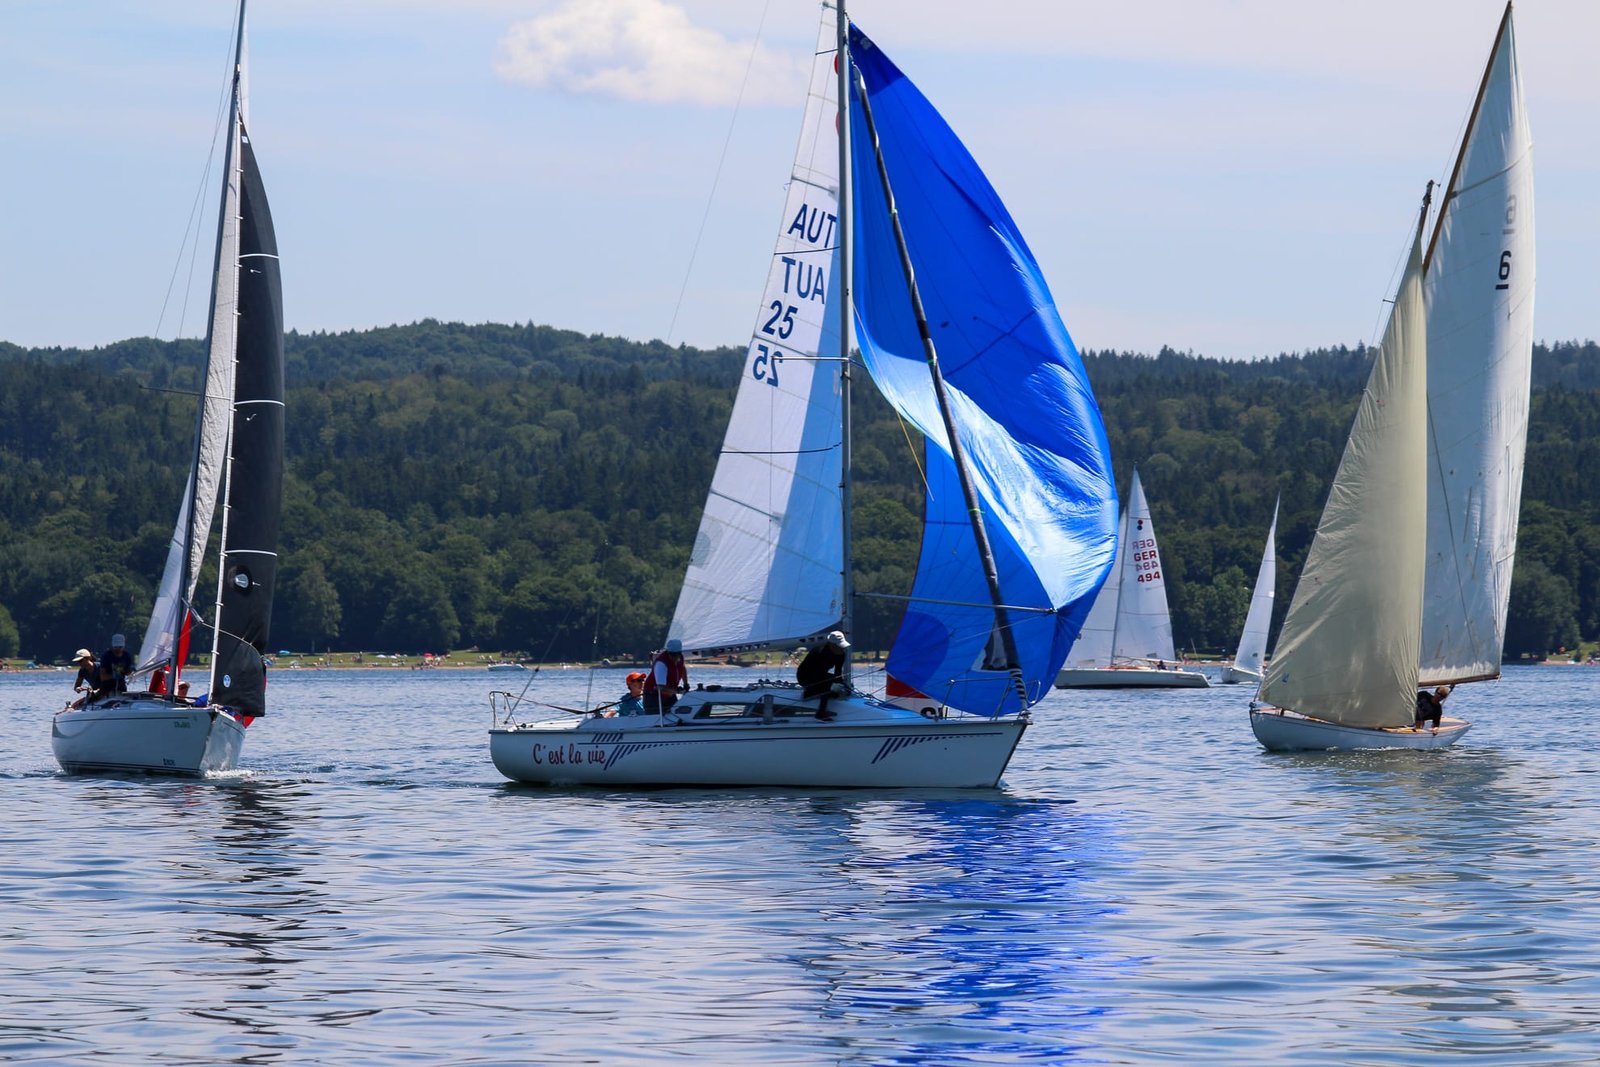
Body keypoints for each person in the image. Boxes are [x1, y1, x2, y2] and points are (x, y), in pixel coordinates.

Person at [797, 630, 850, 720]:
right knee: (827, 687)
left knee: (845, 689)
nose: (842, 648)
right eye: (839, 646)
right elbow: (815, 673)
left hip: (821, 675)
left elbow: (838, 672)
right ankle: (821, 712)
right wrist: (831, 685)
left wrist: (840, 685)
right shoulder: (818, 652)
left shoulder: (841, 655)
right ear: (831, 645)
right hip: (805, 676)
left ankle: (812, 693)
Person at [642, 639, 689, 715]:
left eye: (677, 654)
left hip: (670, 693)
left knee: (678, 714)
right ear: (668, 652)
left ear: (680, 653)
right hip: (653, 696)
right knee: (660, 717)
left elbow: (682, 668)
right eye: (672, 654)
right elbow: (660, 688)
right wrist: (678, 691)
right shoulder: (661, 664)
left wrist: (686, 684)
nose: (674, 657)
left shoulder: (680, 658)